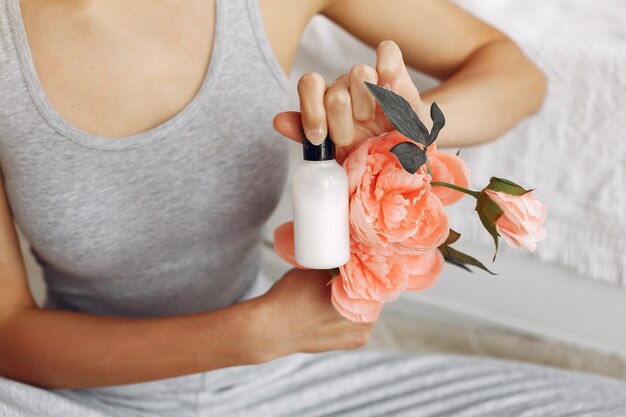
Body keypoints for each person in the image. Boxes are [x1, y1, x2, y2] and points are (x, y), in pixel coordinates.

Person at [0, 0, 624, 416]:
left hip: (287, 387)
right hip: (75, 393)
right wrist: (254, 333)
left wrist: (406, 133)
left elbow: (516, 74)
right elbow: (9, 332)